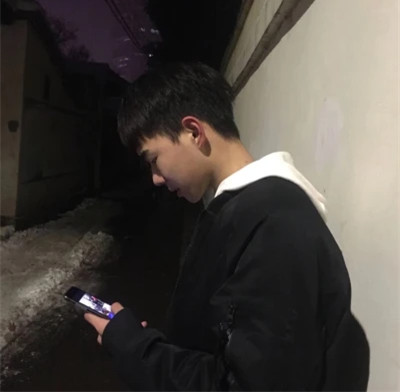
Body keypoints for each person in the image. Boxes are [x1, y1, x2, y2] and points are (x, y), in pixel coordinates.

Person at [84, 62, 369, 390]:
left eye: (153, 159)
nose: (156, 178)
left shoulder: (276, 227)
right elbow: (220, 344)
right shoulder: (247, 211)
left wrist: (138, 351)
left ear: (194, 132)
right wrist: (144, 341)